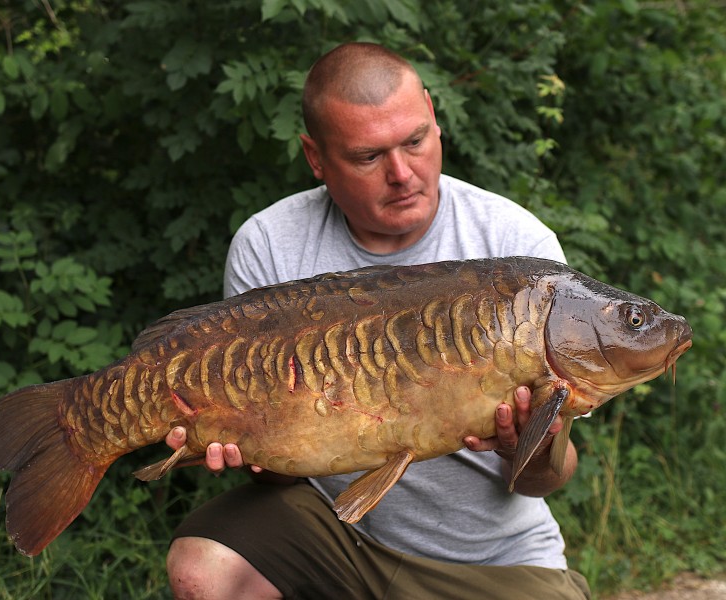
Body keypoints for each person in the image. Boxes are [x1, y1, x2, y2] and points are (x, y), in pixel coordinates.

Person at [164, 42, 591, 600]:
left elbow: (549, 478)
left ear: (435, 120)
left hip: (491, 561)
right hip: (338, 539)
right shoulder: (270, 245)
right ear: (316, 158)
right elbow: (282, 477)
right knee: (204, 568)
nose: (402, 173)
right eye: (368, 156)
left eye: (415, 141)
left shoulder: (515, 252)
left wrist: (524, 444)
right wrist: (251, 444)